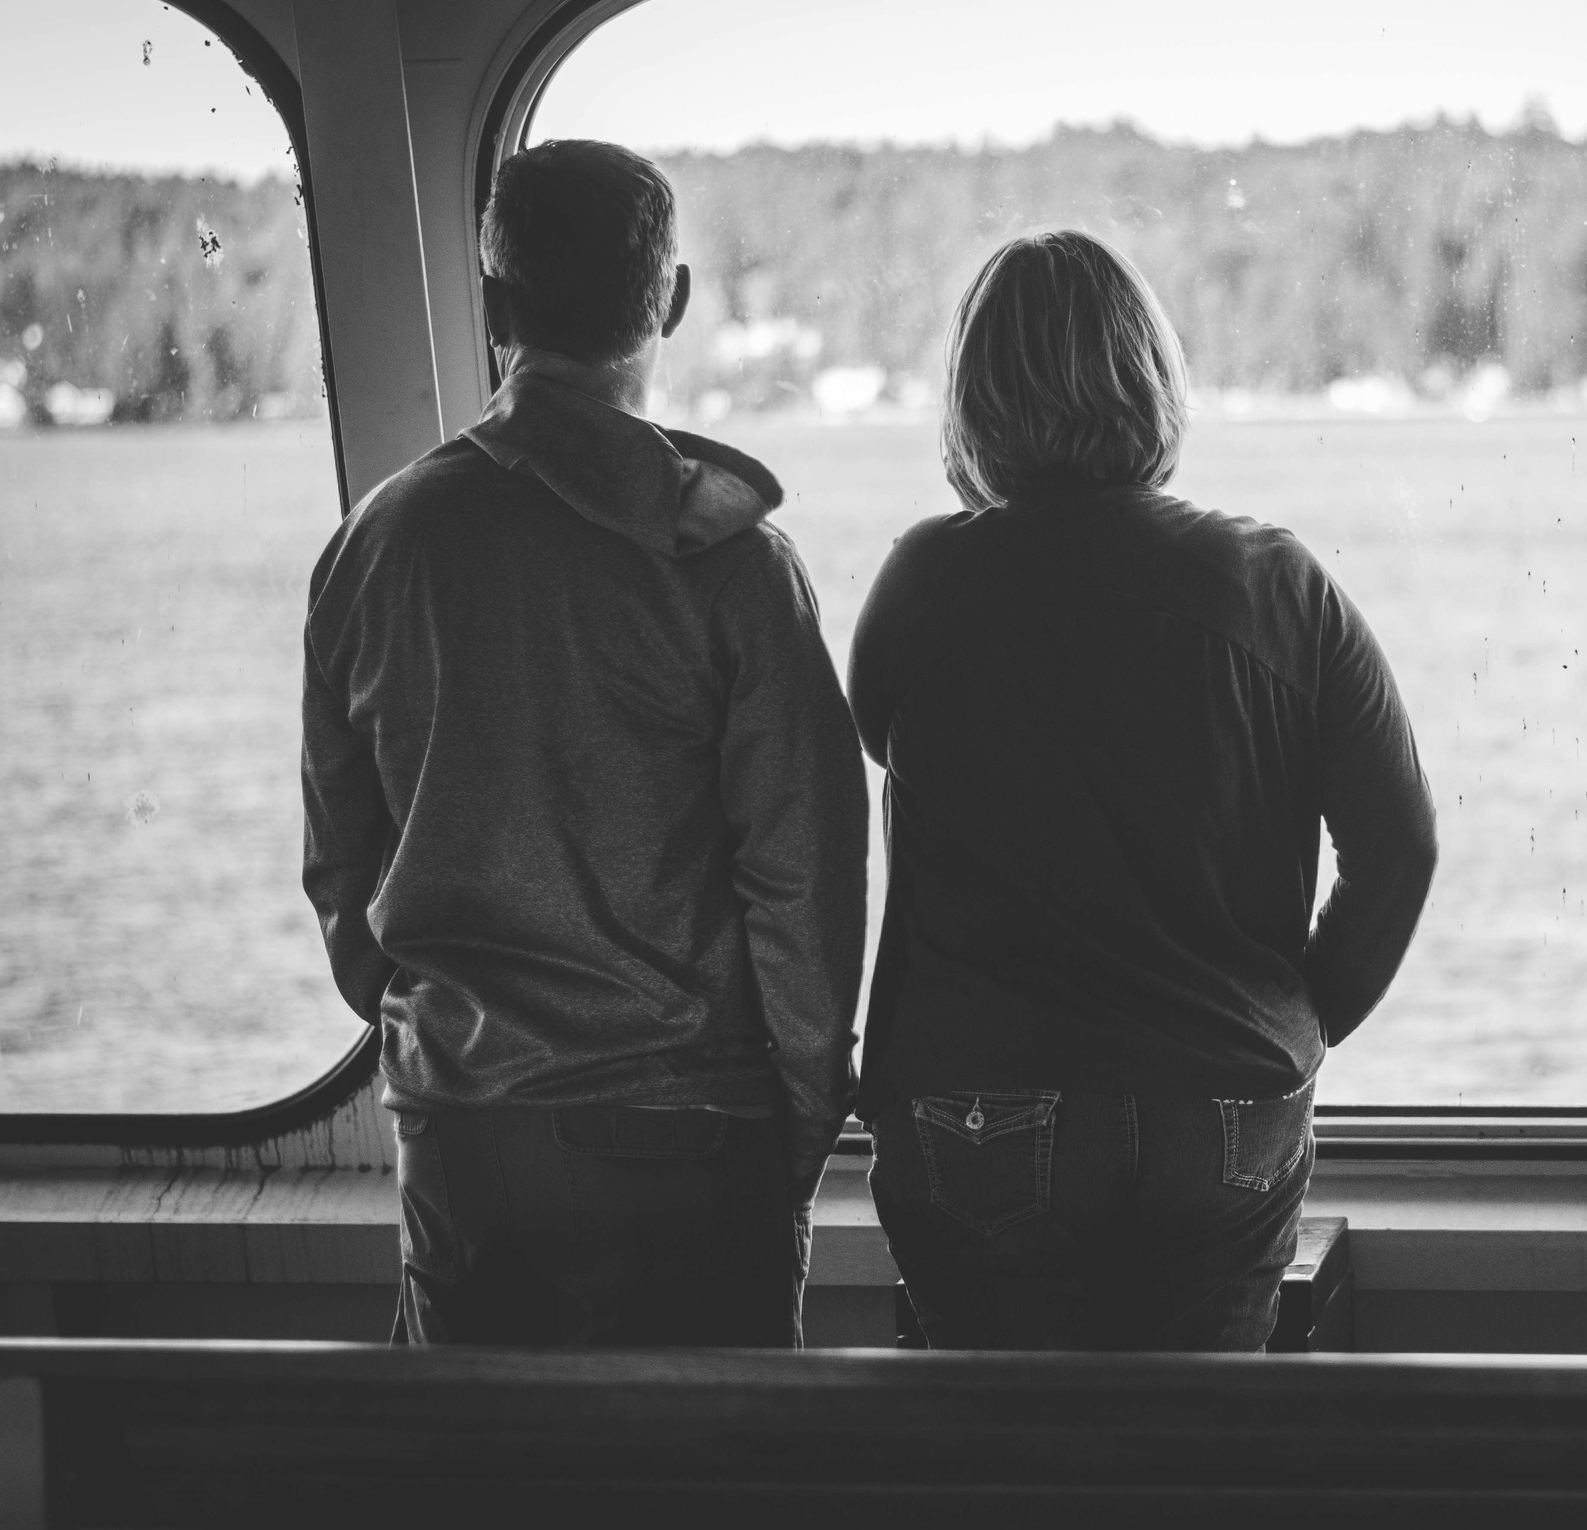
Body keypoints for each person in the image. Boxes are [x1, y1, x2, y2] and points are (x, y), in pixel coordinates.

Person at [301, 139, 867, 1346]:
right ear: (671, 300)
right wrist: (802, 1119)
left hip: (462, 1133)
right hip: (691, 1132)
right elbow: (806, 882)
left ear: (493, 304)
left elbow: (340, 865)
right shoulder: (731, 565)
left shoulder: (377, 544)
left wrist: (426, 1020)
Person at [850, 230, 1437, 1350]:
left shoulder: (926, 579)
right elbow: (1398, 848)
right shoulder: (1280, 584)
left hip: (983, 1099)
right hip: (1223, 1100)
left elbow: (878, 741)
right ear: (1152, 382)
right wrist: (1300, 1014)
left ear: (974, 401)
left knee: (1005, 1472)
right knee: (1191, 1463)